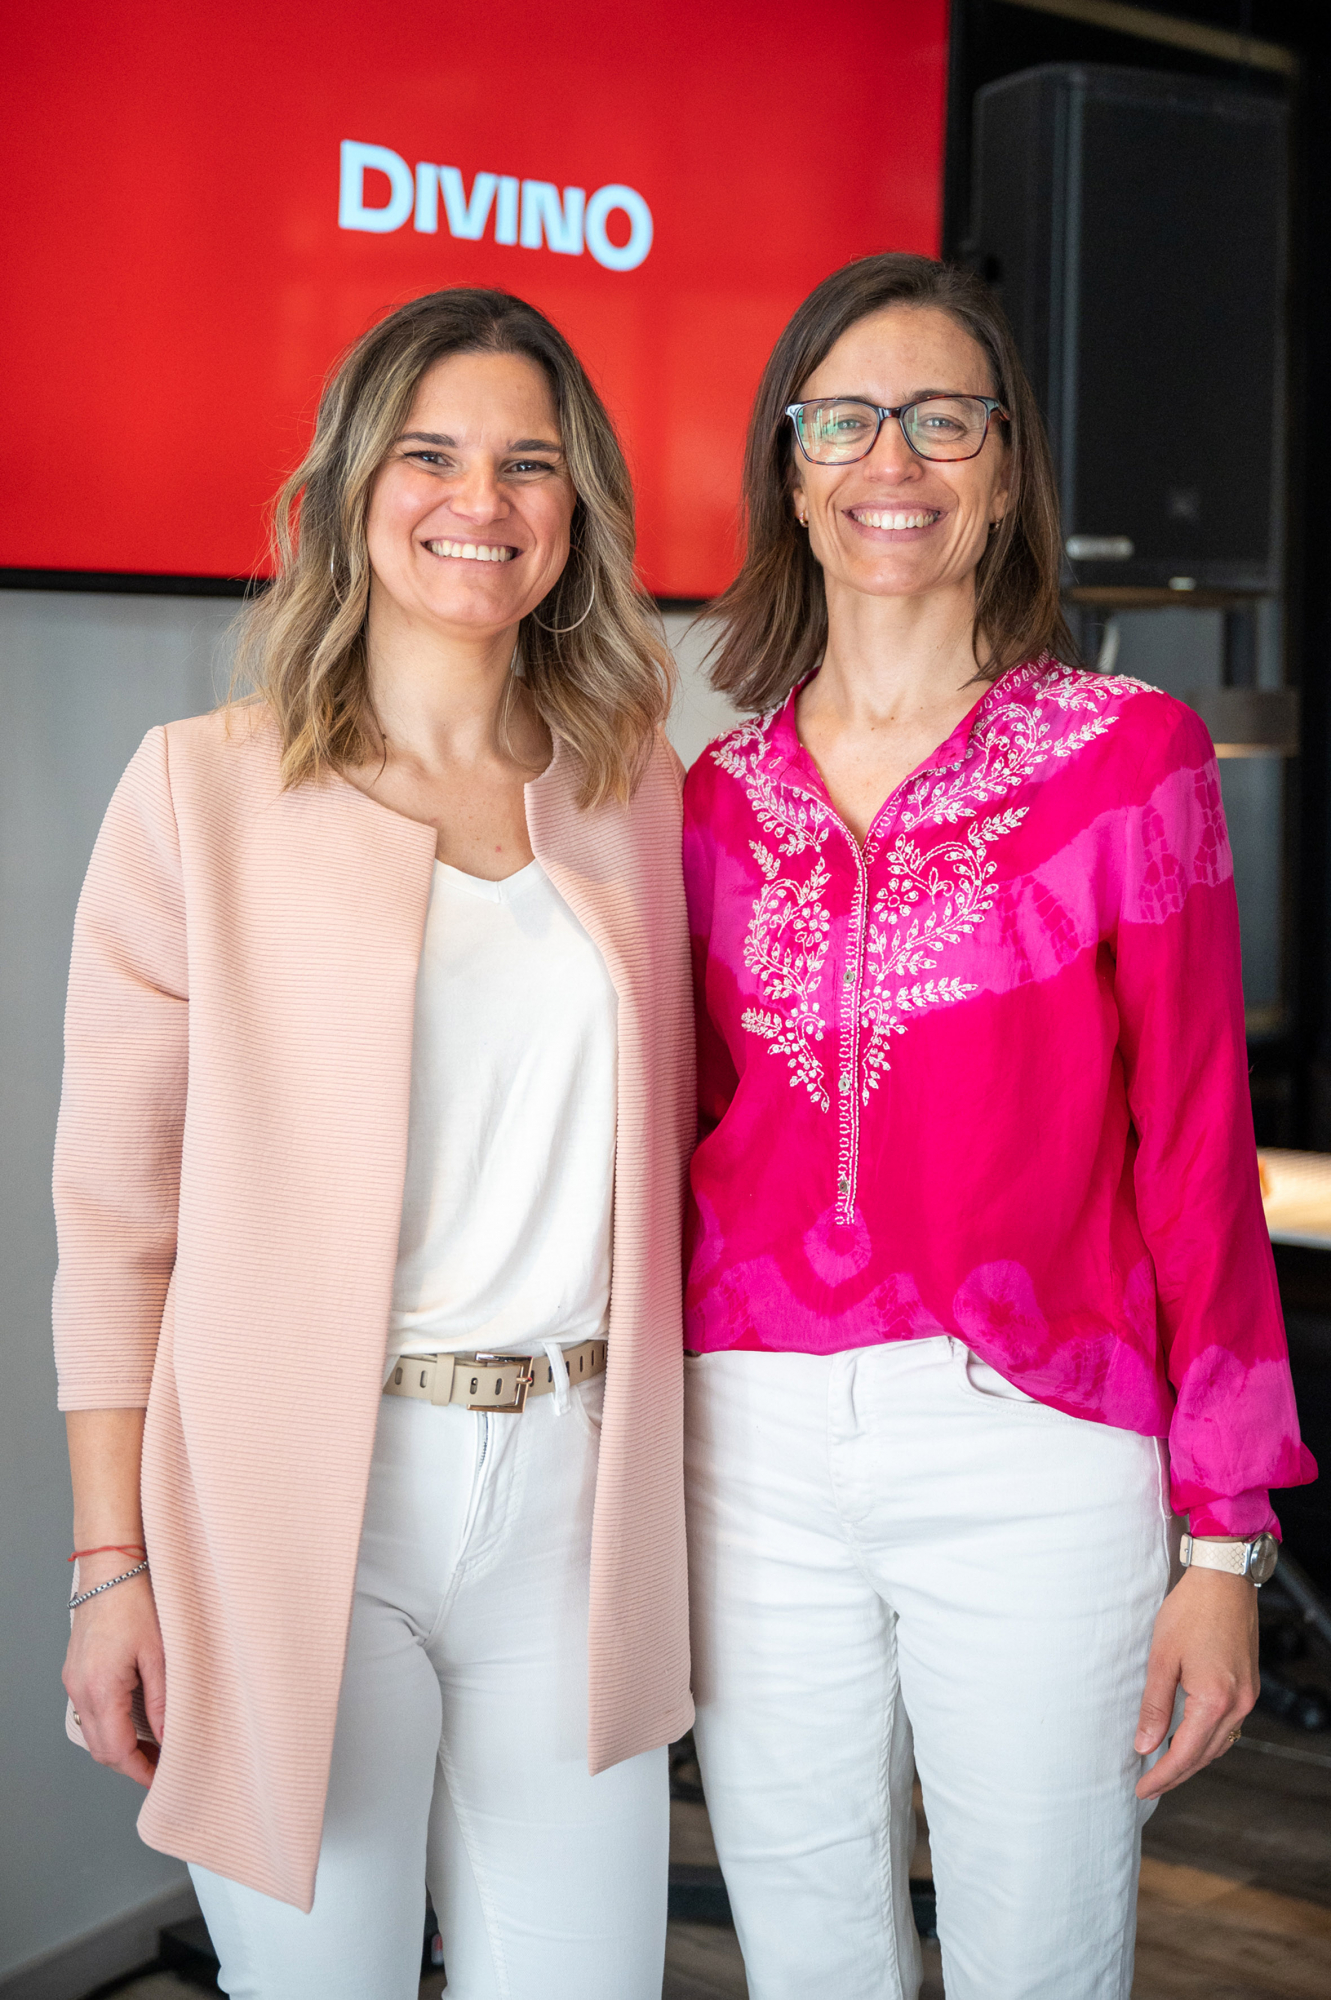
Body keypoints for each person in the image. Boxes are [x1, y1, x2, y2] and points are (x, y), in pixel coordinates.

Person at [681, 252, 1315, 2000]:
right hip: (747, 1449)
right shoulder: (718, 799)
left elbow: (1199, 1153)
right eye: (846, 419)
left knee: (1040, 1958)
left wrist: (1223, 1542)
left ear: (1007, 466)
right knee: (808, 1956)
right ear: (792, 470)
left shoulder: (1129, 756)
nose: (895, 458)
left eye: (944, 418)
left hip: (1035, 1451)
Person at [54, 287, 694, 2000]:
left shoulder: (642, 797)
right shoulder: (200, 789)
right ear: (352, 487)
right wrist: (106, 1571)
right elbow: (114, 1222)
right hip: (299, 1515)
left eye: (528, 464)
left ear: (578, 513)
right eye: (432, 454)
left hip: (573, 1498)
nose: (479, 501)